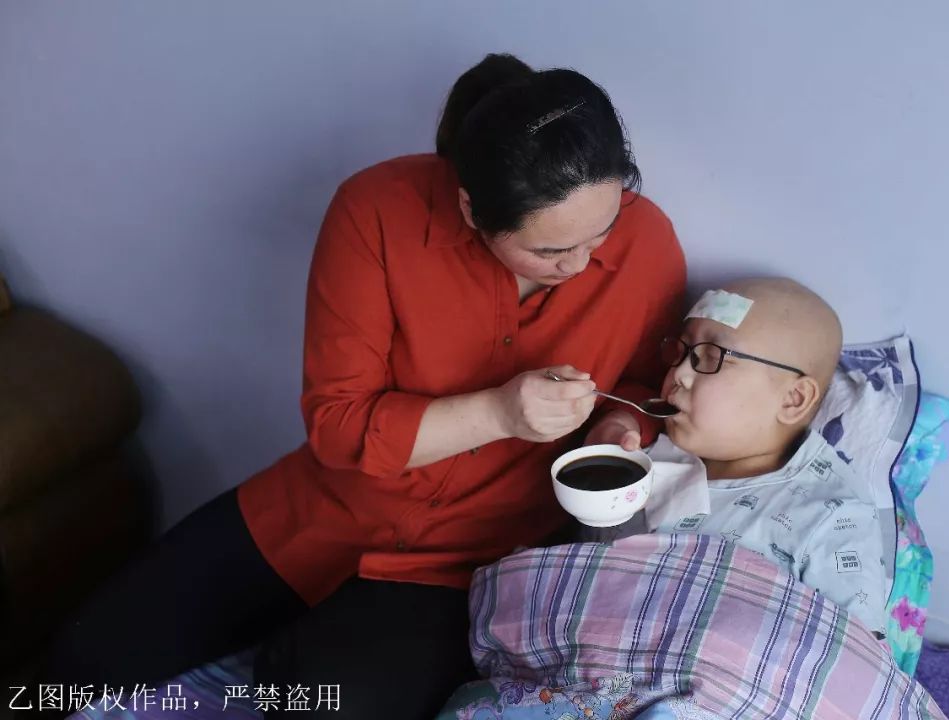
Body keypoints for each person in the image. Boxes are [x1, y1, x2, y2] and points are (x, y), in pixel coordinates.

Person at [37, 53, 686, 719]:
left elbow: (646, 384)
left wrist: (618, 430)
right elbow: (337, 425)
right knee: (83, 661)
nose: (579, 265)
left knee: (304, 696)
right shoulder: (377, 209)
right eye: (548, 251)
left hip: (475, 562)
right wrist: (499, 412)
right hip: (324, 510)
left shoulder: (649, 243)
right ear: (471, 208)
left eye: (601, 233)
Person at [586, 278, 887, 636]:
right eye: (681, 352)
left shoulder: (831, 518)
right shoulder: (647, 451)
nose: (678, 374)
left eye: (712, 357)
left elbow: (855, 654)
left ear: (793, 399)